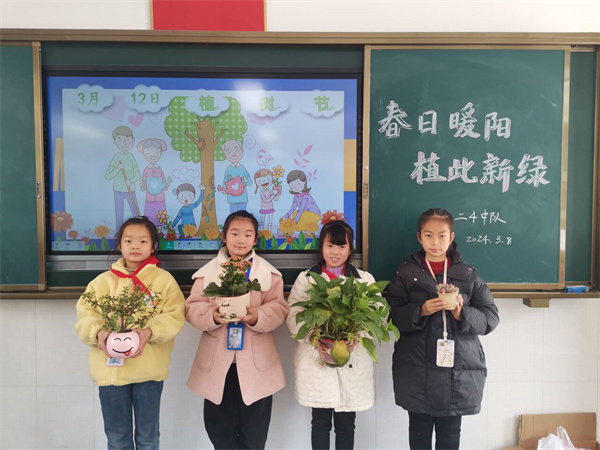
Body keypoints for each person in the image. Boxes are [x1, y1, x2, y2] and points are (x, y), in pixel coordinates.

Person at [386, 208, 499, 450]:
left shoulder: (468, 275)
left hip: (457, 371)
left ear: (451, 237)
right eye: (428, 235)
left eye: (442, 236)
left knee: (450, 435)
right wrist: (420, 311)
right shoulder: (406, 274)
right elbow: (390, 314)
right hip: (416, 368)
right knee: (419, 434)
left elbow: (490, 318)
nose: (435, 242)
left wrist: (461, 313)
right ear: (419, 237)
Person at [75, 216, 186, 449]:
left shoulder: (164, 281)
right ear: (120, 245)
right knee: (117, 438)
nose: (135, 246)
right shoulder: (102, 282)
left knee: (147, 438)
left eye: (143, 241)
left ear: (153, 246)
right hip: (111, 373)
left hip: (149, 373)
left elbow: (175, 315)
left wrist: (149, 332)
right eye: (128, 240)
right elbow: (86, 314)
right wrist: (99, 333)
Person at [186, 210, 289, 449]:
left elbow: (279, 308)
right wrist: (211, 315)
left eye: (247, 235)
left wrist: (257, 316)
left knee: (255, 433)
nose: (240, 240)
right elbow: (192, 307)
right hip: (219, 364)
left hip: (256, 364)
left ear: (255, 239)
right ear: (224, 236)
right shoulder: (207, 273)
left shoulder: (269, 274)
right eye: (234, 233)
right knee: (219, 431)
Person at [287, 220, 375, 449]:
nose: (335, 252)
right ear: (321, 247)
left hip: (351, 362)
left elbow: (375, 315)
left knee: (346, 424)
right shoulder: (306, 279)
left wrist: (356, 336)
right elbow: (293, 314)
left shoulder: (364, 279)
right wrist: (314, 337)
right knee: (320, 423)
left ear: (350, 249)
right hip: (317, 364)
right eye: (330, 246)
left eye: (341, 246)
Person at [105, 125, 141, 231]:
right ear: (115, 141)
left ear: (132, 140)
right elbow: (108, 176)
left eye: (127, 138)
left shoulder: (131, 157)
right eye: (120, 139)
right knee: (119, 212)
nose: (124, 142)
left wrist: (131, 181)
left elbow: (138, 174)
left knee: (136, 212)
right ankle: (118, 232)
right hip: (118, 191)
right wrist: (117, 169)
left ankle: (140, 230)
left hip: (131, 190)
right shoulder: (116, 157)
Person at [138, 138, 171, 227]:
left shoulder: (159, 168)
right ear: (144, 154)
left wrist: (166, 185)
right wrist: (142, 185)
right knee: (150, 215)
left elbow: (164, 182)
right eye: (148, 153)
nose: (152, 155)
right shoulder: (146, 169)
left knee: (161, 215)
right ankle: (149, 228)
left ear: (160, 153)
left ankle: (160, 229)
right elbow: (143, 184)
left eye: (156, 152)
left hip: (160, 197)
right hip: (149, 198)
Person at [280, 169, 321, 234]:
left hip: (314, 214)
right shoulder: (296, 196)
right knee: (295, 213)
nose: (295, 187)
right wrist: (285, 216)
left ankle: (305, 231)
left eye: (298, 183)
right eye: (292, 185)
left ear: (304, 182)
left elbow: (301, 209)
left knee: (301, 216)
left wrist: (294, 222)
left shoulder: (306, 196)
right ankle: (303, 231)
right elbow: (293, 208)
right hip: (304, 213)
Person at [220, 139, 252, 213]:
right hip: (232, 198)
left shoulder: (242, 168)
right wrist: (224, 189)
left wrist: (246, 180)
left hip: (242, 198)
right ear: (224, 154)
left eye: (236, 150)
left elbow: (250, 182)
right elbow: (225, 181)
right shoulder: (228, 169)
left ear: (242, 150)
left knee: (243, 215)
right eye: (228, 152)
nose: (233, 154)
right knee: (233, 215)